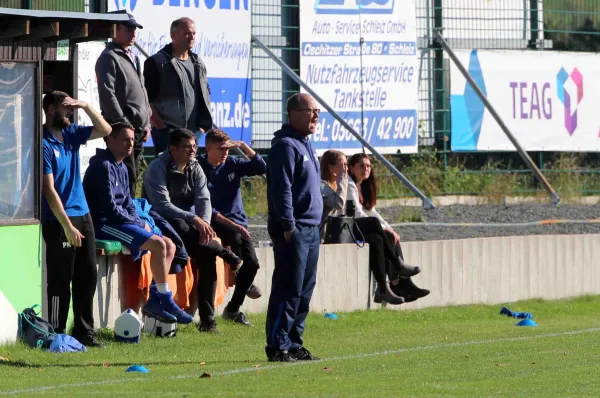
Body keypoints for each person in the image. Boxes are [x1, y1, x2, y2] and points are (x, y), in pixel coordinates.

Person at [83, 122, 193, 324]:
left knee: (169, 244)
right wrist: (139, 224)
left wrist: (139, 221)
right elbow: (109, 210)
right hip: (104, 225)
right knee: (159, 244)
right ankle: (164, 300)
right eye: (125, 139)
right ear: (110, 140)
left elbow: (128, 203)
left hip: (121, 222)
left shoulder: (123, 167)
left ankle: (155, 298)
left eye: (133, 139)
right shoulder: (102, 166)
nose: (130, 143)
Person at [142, 128, 242, 333]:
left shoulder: (195, 167)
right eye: (188, 146)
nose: (193, 150)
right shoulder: (157, 168)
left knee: (207, 256)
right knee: (183, 228)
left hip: (189, 222)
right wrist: (195, 219)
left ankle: (208, 322)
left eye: (195, 146)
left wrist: (204, 224)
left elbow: (204, 199)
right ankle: (229, 256)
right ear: (173, 149)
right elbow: (161, 205)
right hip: (160, 219)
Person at [41, 91, 112, 347]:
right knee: (60, 281)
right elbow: (48, 190)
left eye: (72, 108)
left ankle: (84, 333)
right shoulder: (44, 143)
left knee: (87, 277)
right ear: (51, 110)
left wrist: (85, 104)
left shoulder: (71, 134)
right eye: (66, 108)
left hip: (83, 215)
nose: (70, 112)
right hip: (60, 221)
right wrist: (67, 226)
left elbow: (105, 130)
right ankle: (56, 334)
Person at [265, 93, 323, 362]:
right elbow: (282, 189)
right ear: (293, 113)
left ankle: (294, 342)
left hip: (311, 228)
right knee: (288, 289)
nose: (316, 116)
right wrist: (288, 225)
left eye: (317, 112)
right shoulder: (286, 146)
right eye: (311, 111)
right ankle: (278, 345)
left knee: (304, 290)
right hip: (295, 228)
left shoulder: (305, 143)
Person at [199, 129, 266, 327]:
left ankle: (233, 309)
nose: (225, 152)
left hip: (237, 223)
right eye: (221, 148)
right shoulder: (199, 167)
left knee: (252, 263)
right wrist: (231, 224)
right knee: (234, 238)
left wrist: (243, 146)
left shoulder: (233, 164)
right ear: (208, 148)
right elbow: (204, 206)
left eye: (228, 148)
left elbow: (260, 167)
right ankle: (239, 273)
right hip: (213, 221)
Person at [347, 153, 430, 304]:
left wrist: (389, 228)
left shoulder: (362, 185)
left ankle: (395, 286)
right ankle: (397, 272)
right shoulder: (349, 184)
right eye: (361, 165)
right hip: (349, 227)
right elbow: (357, 214)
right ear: (351, 168)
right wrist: (383, 228)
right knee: (378, 229)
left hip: (362, 227)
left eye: (368, 166)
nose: (366, 169)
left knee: (384, 237)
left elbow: (371, 211)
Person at [95, 13, 152, 197]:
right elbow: (107, 93)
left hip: (139, 129)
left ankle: (131, 214)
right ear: (115, 30)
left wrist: (147, 123)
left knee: (133, 177)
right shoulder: (109, 57)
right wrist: (123, 124)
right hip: (122, 131)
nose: (133, 33)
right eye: (128, 29)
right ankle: (122, 217)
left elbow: (142, 92)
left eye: (134, 29)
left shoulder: (133, 57)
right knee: (125, 175)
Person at [144, 17, 213, 155]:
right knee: (169, 174)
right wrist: (162, 128)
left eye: (193, 33)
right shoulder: (156, 62)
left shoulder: (197, 63)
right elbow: (147, 100)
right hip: (168, 135)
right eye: (187, 33)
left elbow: (205, 94)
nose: (191, 37)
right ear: (173, 35)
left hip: (194, 135)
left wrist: (201, 129)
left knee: (191, 174)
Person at [318, 149, 348, 239]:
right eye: (342, 165)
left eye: (346, 165)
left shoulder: (339, 183)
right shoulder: (321, 185)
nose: (345, 168)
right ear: (330, 167)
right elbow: (339, 204)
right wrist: (342, 178)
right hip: (323, 236)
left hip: (336, 233)